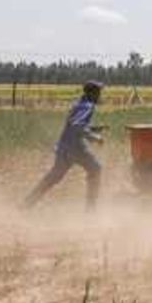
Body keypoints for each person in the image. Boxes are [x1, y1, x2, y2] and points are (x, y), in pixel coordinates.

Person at [23, 80, 107, 210]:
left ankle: (27, 203)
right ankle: (90, 210)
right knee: (96, 169)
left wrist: (94, 128)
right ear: (92, 93)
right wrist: (95, 137)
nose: (99, 95)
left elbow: (75, 124)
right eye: (98, 92)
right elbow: (76, 125)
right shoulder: (88, 106)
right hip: (76, 147)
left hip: (64, 146)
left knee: (53, 177)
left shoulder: (79, 104)